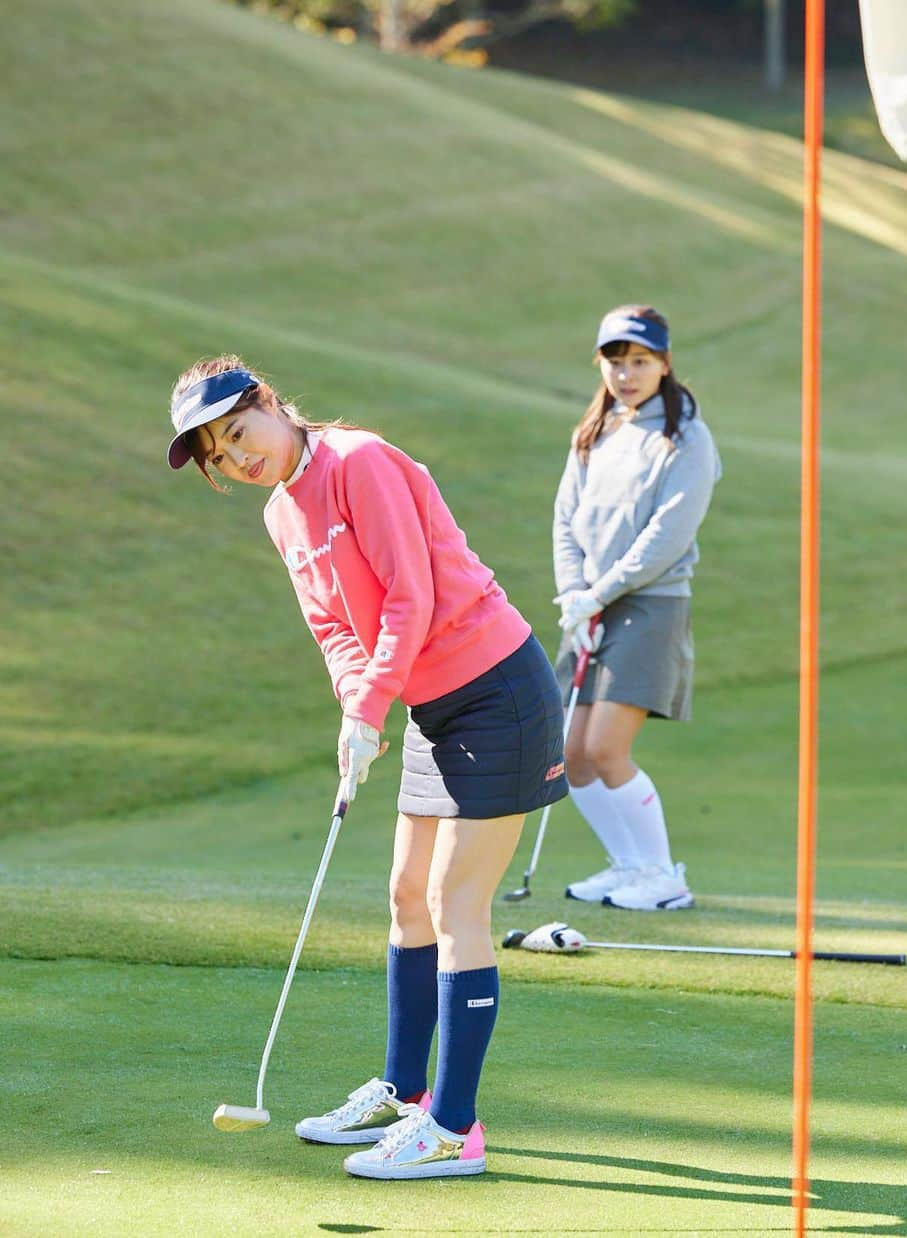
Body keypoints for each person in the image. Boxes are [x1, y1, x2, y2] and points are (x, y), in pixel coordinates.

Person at [167, 355, 567, 1180]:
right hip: (431, 703)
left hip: (497, 691)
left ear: (272, 404)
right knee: (404, 897)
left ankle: (454, 1128)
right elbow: (334, 629)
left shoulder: (359, 462)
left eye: (242, 434)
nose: (242, 460)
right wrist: (359, 707)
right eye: (221, 457)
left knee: (457, 903)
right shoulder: (282, 514)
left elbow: (409, 597)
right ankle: (403, 1090)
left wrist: (371, 702)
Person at [552, 305, 721, 910]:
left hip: (650, 603)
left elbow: (668, 535)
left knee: (605, 749)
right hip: (590, 606)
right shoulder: (595, 432)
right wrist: (574, 592)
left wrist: (601, 591)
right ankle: (627, 866)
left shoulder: (686, 436)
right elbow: (566, 519)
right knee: (569, 753)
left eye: (640, 362)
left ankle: (662, 876)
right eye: (616, 362)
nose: (627, 375)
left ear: (665, 364)